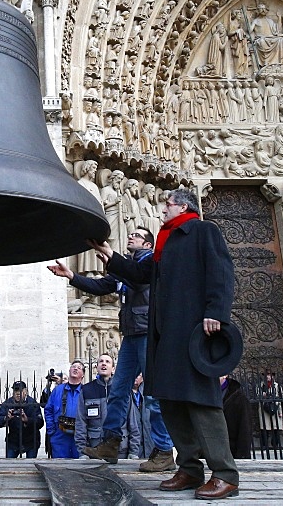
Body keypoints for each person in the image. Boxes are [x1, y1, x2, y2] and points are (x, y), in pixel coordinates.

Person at [90, 188, 240, 499]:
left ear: (183, 206)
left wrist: (215, 312)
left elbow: (222, 273)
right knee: (171, 401)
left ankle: (225, 474)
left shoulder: (202, 231)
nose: (162, 211)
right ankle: (189, 468)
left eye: (167, 205)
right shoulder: (165, 241)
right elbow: (140, 274)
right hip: (165, 334)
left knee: (201, 402)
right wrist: (110, 256)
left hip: (194, 330)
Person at [48, 227, 175, 472]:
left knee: (153, 396)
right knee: (117, 391)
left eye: (137, 235)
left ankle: (164, 450)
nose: (131, 236)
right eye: (131, 234)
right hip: (130, 335)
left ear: (148, 245)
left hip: (149, 334)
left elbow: (139, 279)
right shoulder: (126, 267)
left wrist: (115, 263)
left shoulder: (150, 263)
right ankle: (111, 442)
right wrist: (72, 276)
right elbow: (101, 287)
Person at [75, 354, 119, 457]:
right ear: (96, 367)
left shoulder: (120, 390)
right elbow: (81, 422)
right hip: (94, 448)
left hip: (120, 450)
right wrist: (82, 451)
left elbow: (133, 423)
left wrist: (133, 452)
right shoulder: (87, 390)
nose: (104, 363)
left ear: (113, 369)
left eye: (107, 362)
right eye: (101, 361)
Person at [43, 361, 85, 459]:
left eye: (79, 368)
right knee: (59, 466)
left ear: (83, 375)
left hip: (79, 436)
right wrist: (51, 430)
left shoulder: (86, 391)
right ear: (69, 370)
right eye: (73, 367)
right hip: (59, 435)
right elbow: (48, 410)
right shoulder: (58, 390)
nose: (75, 368)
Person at [0, 381, 43, 458]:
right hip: (14, 441)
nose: (18, 393)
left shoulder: (32, 403)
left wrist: (27, 420)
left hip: (31, 440)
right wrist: (6, 418)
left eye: (20, 391)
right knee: (10, 465)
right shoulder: (8, 403)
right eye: (16, 391)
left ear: (25, 391)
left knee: (31, 465)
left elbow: (40, 422)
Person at [221, 375, 252, 459]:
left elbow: (245, 429)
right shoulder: (202, 395)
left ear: (225, 375)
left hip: (230, 452)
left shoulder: (240, 399)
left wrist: (243, 456)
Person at [258, 372, 283, 452]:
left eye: (269, 375)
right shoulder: (261, 385)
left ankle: (275, 444)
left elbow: (281, 398)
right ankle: (264, 445)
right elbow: (257, 395)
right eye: (266, 375)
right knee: (265, 428)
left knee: (276, 427)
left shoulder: (277, 386)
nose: (268, 377)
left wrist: (281, 410)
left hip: (275, 407)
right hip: (264, 407)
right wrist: (262, 395)